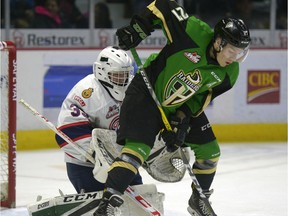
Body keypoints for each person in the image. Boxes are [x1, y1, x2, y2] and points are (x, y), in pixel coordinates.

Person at [93, 0, 251, 216]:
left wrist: (182, 120)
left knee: (210, 151)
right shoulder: (193, 31)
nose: (236, 58)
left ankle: (199, 199)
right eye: (233, 51)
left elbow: (201, 98)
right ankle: (107, 205)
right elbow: (164, 4)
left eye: (241, 53)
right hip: (145, 94)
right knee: (136, 153)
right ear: (219, 42)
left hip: (179, 105)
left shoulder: (229, 74)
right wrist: (138, 28)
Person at [55, 46, 143, 194]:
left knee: (138, 200)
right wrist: (97, 154)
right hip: (85, 165)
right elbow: (67, 131)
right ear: (101, 71)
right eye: (117, 75)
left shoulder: (134, 87)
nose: (123, 80)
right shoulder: (86, 92)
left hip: (122, 160)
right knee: (100, 206)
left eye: (126, 75)